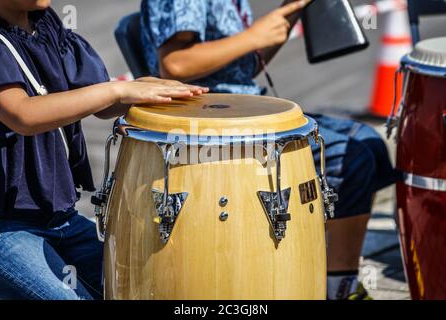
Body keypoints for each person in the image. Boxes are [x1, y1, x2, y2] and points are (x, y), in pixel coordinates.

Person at [140, 0, 396, 300]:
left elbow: (244, 65)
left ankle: (328, 272)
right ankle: (339, 289)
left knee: (368, 142)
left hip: (244, 108)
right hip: (209, 125)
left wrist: (288, 14)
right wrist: (254, 36)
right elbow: (174, 63)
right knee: (347, 157)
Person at [0, 0, 207, 300]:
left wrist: (147, 90)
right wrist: (117, 90)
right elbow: (23, 115)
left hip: (61, 218)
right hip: (6, 228)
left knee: (147, 285)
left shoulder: (46, 23)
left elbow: (101, 102)